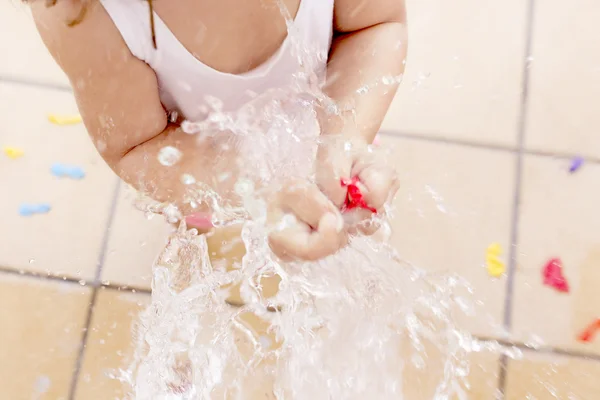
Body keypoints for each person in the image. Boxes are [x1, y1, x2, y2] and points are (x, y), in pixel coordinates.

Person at [30, 0, 406, 266]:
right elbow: (139, 145)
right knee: (194, 227)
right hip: (199, 159)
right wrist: (257, 187)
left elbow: (374, 25)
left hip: (330, 110)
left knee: (348, 207)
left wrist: (346, 133)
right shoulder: (83, 13)